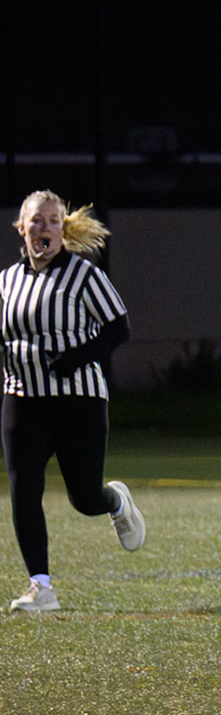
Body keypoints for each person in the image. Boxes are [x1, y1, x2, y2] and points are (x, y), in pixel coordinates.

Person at [3, 191, 144, 614]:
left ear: (62, 229)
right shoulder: (7, 281)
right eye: (36, 220)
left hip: (78, 400)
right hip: (22, 398)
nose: (44, 228)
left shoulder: (83, 275)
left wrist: (76, 358)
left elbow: (118, 328)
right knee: (23, 490)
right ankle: (41, 586)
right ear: (21, 228)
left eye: (52, 221)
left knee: (84, 499)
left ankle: (115, 501)